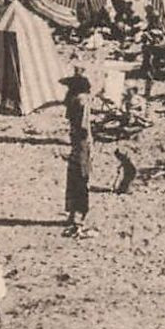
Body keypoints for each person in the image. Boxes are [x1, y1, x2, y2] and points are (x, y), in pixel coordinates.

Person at [63, 76, 96, 238]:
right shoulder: (81, 101)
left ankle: (77, 216)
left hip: (80, 144)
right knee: (79, 177)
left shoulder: (80, 101)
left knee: (78, 178)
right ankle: (76, 214)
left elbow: (82, 127)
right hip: (81, 144)